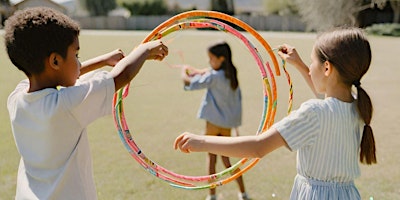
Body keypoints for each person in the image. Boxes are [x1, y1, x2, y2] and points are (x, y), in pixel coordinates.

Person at [174, 26, 376, 199]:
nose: (310, 66)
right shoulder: (357, 107)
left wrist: (201, 141)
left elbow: (258, 147)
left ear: (326, 68)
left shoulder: (314, 112)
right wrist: (299, 63)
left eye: (312, 61)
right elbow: (329, 95)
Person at [4, 7, 168, 199]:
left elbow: (60, 75)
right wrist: (145, 50)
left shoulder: (17, 98)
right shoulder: (67, 106)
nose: (79, 61)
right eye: (76, 55)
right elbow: (121, 76)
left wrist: (103, 60)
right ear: (55, 61)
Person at [180, 41, 250, 200]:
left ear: (221, 59)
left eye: (211, 58)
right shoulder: (230, 73)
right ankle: (243, 193)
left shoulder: (214, 76)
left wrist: (184, 73)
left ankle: (212, 196)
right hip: (226, 125)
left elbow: (191, 83)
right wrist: (198, 71)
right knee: (227, 160)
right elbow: (209, 72)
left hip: (213, 124)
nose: (209, 61)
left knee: (211, 160)